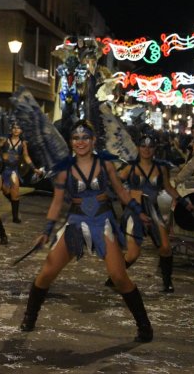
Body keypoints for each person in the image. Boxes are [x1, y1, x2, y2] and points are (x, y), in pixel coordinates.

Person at [20, 120, 154, 343]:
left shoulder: (106, 165)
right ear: (71, 142)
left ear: (93, 141)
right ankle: (29, 316)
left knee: (119, 276)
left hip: (103, 222)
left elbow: (121, 193)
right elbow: (56, 202)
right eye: (75, 138)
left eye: (85, 138)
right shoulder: (65, 169)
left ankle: (144, 326)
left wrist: (137, 212)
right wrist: (47, 231)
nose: (80, 142)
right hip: (76, 222)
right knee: (48, 272)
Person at [111, 133, 194, 292]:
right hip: (134, 212)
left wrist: (185, 203)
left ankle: (167, 282)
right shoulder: (130, 167)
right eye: (143, 146)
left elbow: (169, 188)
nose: (146, 150)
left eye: (150, 146)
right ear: (138, 148)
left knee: (165, 247)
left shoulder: (161, 168)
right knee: (133, 254)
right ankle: (115, 277)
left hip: (153, 210)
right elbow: (116, 185)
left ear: (155, 149)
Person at [0, 121, 41, 223]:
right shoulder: (5, 140)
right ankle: (12, 200)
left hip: (14, 170)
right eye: (14, 127)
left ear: (21, 130)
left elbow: (26, 156)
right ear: (11, 129)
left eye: (18, 128)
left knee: (15, 193)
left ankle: (15, 217)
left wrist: (34, 168)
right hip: (3, 169)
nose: (16, 130)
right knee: (5, 190)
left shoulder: (23, 144)